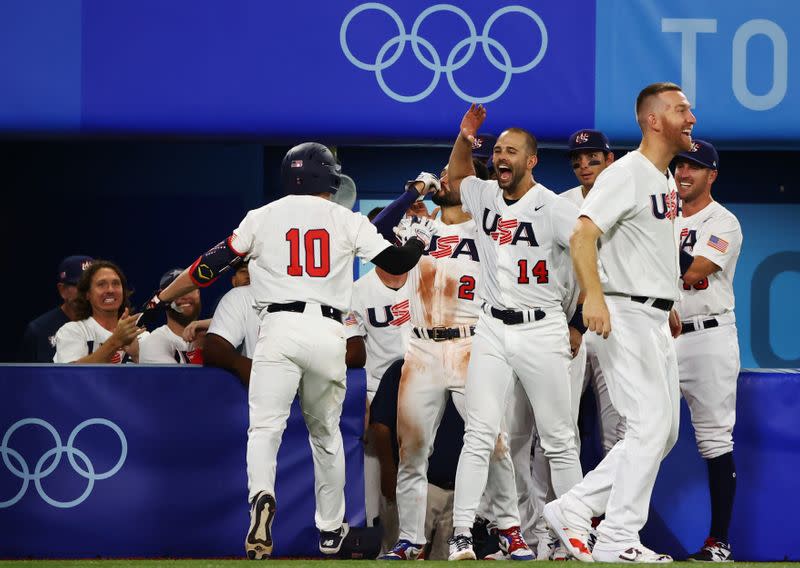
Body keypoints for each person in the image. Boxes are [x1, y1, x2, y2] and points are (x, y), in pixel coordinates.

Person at [140, 142, 431, 559]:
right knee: (326, 435)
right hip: (328, 330)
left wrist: (159, 298)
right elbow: (399, 262)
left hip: (275, 327)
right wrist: (418, 240)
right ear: (328, 177)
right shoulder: (346, 219)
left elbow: (208, 266)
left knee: (264, 429)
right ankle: (331, 529)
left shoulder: (262, 216)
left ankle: (261, 496)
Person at [544, 81, 696, 563]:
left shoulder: (665, 178)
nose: (691, 118)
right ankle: (614, 536)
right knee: (648, 427)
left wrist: (668, 298)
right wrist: (593, 297)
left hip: (650, 312)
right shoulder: (626, 172)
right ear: (653, 120)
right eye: (681, 110)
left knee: (663, 433)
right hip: (622, 311)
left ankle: (577, 507)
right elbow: (582, 236)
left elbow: (650, 246)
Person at [372, 160, 532, 562]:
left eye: (451, 176)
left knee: (491, 441)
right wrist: (413, 192)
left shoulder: (489, 227)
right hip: (421, 348)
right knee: (412, 449)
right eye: (442, 176)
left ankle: (509, 528)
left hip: (472, 343)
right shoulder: (418, 227)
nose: (443, 182)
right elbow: (375, 232)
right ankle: (410, 538)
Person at [445, 105, 585, 561]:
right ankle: (462, 533)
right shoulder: (484, 193)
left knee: (559, 438)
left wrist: (584, 311)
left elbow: (586, 247)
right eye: (499, 149)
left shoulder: (554, 207)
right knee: (479, 433)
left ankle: (574, 532)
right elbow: (455, 176)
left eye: (512, 151)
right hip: (491, 326)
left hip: (541, 329)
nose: (502, 156)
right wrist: (466, 137)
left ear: (531, 160)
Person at [673, 140, 742, 562]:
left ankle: (719, 543)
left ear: (711, 175)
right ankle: (619, 535)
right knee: (641, 434)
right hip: (661, 335)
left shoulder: (724, 221)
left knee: (715, 439)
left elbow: (695, 271)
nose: (684, 173)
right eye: (681, 164)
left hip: (708, 336)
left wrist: (651, 239)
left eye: (695, 167)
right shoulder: (663, 216)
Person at [559, 128, 623, 455]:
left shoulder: (628, 199)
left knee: (617, 430)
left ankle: (615, 507)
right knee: (559, 427)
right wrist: (572, 324)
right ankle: (554, 507)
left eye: (593, 159)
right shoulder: (561, 204)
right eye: (577, 161)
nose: (584, 166)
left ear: (609, 160)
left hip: (616, 322)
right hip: (574, 323)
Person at [369, 358, 466, 560]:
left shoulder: (468, 370)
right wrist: (388, 470)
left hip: (460, 493)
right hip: (418, 487)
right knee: (402, 557)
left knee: (449, 561)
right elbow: (380, 424)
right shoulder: (404, 367)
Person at [53, 260, 145, 364]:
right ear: (87, 294)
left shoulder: (141, 335)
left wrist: (136, 356)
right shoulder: (72, 331)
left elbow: (157, 378)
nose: (110, 290)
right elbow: (71, 374)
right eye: (101, 284)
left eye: (116, 284)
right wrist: (116, 341)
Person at [19, 255, 94, 362]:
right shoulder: (39, 330)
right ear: (62, 290)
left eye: (91, 285)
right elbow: (24, 376)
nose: (86, 292)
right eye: (80, 286)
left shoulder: (108, 324)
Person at [139, 268, 204, 364]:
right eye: (177, 292)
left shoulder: (213, 333)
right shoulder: (154, 342)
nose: (184, 296)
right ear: (164, 298)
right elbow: (176, 379)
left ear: (198, 293)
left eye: (189, 289)